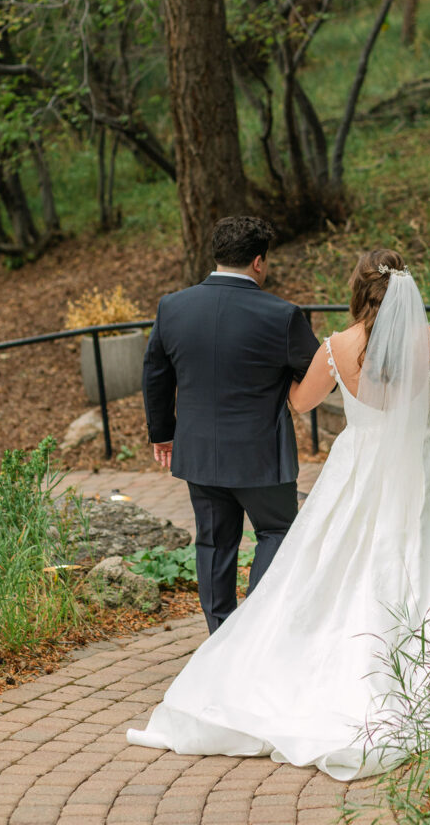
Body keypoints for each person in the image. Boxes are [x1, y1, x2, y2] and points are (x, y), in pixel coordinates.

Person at [128, 248, 430, 780]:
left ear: (357, 290)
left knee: (339, 559)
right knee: (418, 556)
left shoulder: (335, 346)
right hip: (420, 463)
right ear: (407, 292)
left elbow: (301, 403)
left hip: (357, 466)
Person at [141, 215, 320, 634]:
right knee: (276, 532)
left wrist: (163, 433)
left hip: (198, 449)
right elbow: (316, 375)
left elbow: (154, 374)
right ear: (259, 261)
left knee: (214, 541)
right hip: (261, 453)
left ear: (217, 255)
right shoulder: (283, 315)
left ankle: (220, 634)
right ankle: (254, 633)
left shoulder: (173, 307)